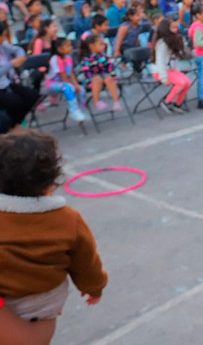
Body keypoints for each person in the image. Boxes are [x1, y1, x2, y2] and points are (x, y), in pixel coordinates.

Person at [0, 129, 107, 325]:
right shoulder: (67, 219)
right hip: (45, 299)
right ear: (51, 182)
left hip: (5, 298)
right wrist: (94, 287)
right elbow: (86, 261)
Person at [0, 25, 36, 132]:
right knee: (15, 101)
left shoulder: (2, 47)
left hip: (6, 84)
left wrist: (20, 57)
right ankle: (11, 127)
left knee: (31, 95)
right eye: (2, 36)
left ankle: (15, 123)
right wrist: (11, 64)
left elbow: (18, 49)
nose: (4, 38)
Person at [152, 18, 191, 114]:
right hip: (160, 72)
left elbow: (174, 58)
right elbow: (160, 61)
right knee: (181, 82)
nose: (176, 29)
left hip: (171, 70)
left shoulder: (173, 39)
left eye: (176, 27)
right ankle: (167, 102)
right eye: (173, 28)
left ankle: (178, 104)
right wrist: (164, 78)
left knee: (188, 82)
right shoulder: (162, 43)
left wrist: (177, 70)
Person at [45, 38, 87, 121]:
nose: (71, 47)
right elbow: (62, 75)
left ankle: (82, 109)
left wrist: (75, 84)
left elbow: (71, 73)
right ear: (59, 49)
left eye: (71, 45)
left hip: (64, 83)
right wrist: (72, 85)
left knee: (81, 89)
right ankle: (74, 109)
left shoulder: (68, 58)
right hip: (52, 84)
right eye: (68, 46)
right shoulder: (55, 59)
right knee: (68, 87)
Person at [79, 33, 121, 112]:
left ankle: (116, 101)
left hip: (104, 75)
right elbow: (86, 71)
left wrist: (113, 76)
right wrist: (90, 81)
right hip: (92, 78)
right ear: (92, 46)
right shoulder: (87, 59)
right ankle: (96, 102)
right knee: (97, 79)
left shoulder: (103, 56)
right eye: (101, 44)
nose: (104, 46)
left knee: (109, 79)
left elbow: (110, 66)